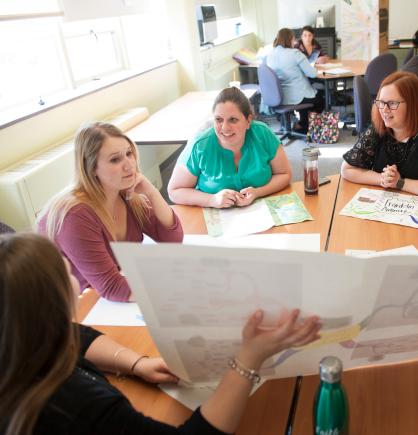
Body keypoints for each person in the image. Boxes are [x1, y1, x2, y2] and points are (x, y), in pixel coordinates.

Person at [0, 232, 321, 435]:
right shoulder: (79, 406)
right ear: (51, 302)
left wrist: (135, 362)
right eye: (67, 272)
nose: (75, 279)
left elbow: (74, 334)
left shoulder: (16, 340)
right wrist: (249, 358)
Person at [39, 122, 183, 302]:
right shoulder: (75, 216)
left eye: (129, 153)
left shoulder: (124, 192)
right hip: (68, 306)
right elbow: (112, 287)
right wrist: (178, 285)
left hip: (101, 296)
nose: (129, 166)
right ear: (92, 168)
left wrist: (151, 191)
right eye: (115, 159)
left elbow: (172, 238)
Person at [341, 71, 418, 197]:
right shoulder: (380, 127)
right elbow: (347, 169)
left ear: (413, 105)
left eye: (392, 103)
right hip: (384, 205)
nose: (384, 110)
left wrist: (400, 183)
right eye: (381, 102)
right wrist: (383, 179)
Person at [168, 87, 292, 208]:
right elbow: (175, 191)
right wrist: (211, 200)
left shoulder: (263, 134)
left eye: (233, 120)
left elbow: (284, 174)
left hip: (262, 212)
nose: (225, 128)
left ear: (248, 121)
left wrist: (258, 192)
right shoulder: (200, 146)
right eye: (218, 119)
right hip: (216, 218)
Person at [266, 28, 324, 133]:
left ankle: (302, 124)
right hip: (297, 96)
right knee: (321, 97)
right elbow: (312, 73)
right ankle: (304, 126)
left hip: (279, 97)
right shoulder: (295, 53)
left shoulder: (270, 55)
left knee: (306, 97)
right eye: (293, 39)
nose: (294, 42)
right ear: (290, 39)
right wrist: (314, 68)